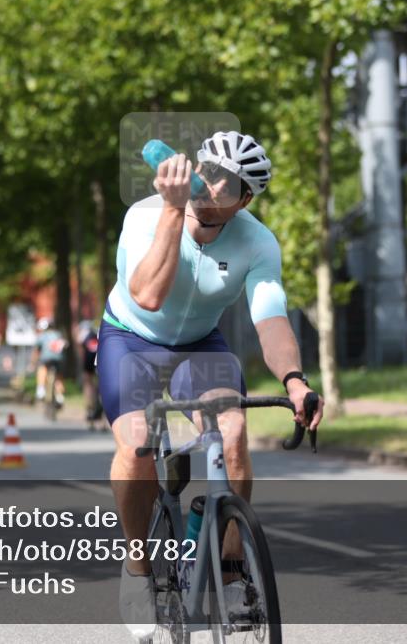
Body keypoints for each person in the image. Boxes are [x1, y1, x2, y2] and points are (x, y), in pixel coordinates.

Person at [98, 131, 324, 635]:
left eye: (228, 182)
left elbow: (270, 319)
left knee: (234, 432)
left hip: (200, 345)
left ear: (245, 199)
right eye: (208, 169)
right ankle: (138, 569)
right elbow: (149, 296)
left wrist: (294, 381)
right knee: (137, 447)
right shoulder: (144, 214)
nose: (212, 184)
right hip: (131, 340)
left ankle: (230, 564)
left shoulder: (257, 241)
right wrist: (173, 212)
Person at [31, 317, 66, 406]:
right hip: (59, 359)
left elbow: (36, 350)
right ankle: (60, 396)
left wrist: (33, 362)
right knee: (59, 377)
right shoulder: (59, 334)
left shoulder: (42, 336)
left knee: (42, 368)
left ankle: (40, 389)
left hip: (46, 359)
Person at [78, 321, 104, 430]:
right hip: (100, 361)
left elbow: (81, 349)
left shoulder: (84, 334)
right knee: (102, 388)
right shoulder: (99, 333)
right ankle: (103, 420)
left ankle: (89, 408)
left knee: (88, 384)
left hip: (88, 362)